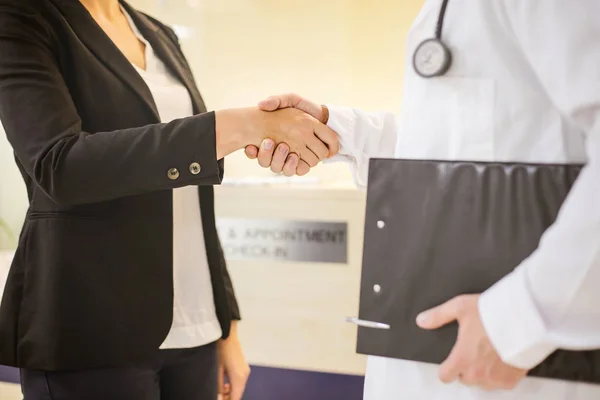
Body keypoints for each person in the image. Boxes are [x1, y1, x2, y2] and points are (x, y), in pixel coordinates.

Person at [246, 0, 600, 399]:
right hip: (443, 349)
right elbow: (459, 146)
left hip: (519, 362)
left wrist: (520, 319)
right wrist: (336, 133)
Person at [0, 0, 338, 399]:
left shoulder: (156, 32)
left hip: (195, 329)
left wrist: (224, 324)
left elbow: (192, 199)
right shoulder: (21, 17)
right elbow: (60, 165)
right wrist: (237, 126)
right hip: (92, 325)